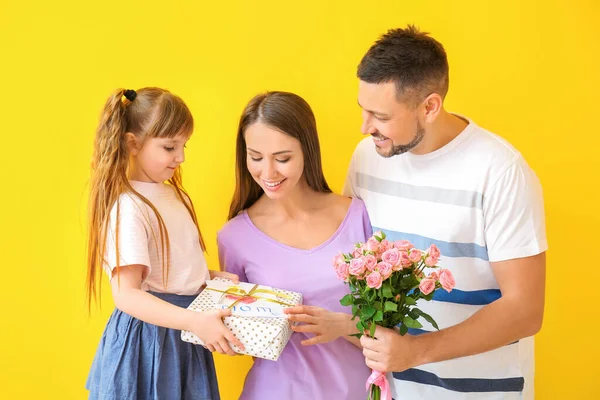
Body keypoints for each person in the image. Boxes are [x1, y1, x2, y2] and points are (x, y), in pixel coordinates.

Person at [345, 26, 547, 399]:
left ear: (430, 106)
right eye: (363, 110)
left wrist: (416, 352)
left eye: (381, 116)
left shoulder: (500, 172)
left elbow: (525, 309)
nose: (365, 127)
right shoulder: (366, 159)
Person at [85, 87, 241, 400]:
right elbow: (127, 295)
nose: (181, 157)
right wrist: (194, 321)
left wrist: (207, 278)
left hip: (184, 333)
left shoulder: (175, 196)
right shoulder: (129, 206)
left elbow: (168, 273)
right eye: (170, 147)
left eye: (184, 145)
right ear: (133, 143)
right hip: (150, 341)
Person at [217, 91, 372, 399]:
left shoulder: (358, 217)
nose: (268, 173)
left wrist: (343, 326)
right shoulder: (234, 237)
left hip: (355, 390)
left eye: (283, 158)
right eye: (256, 157)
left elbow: (390, 329)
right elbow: (249, 340)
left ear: (307, 150)